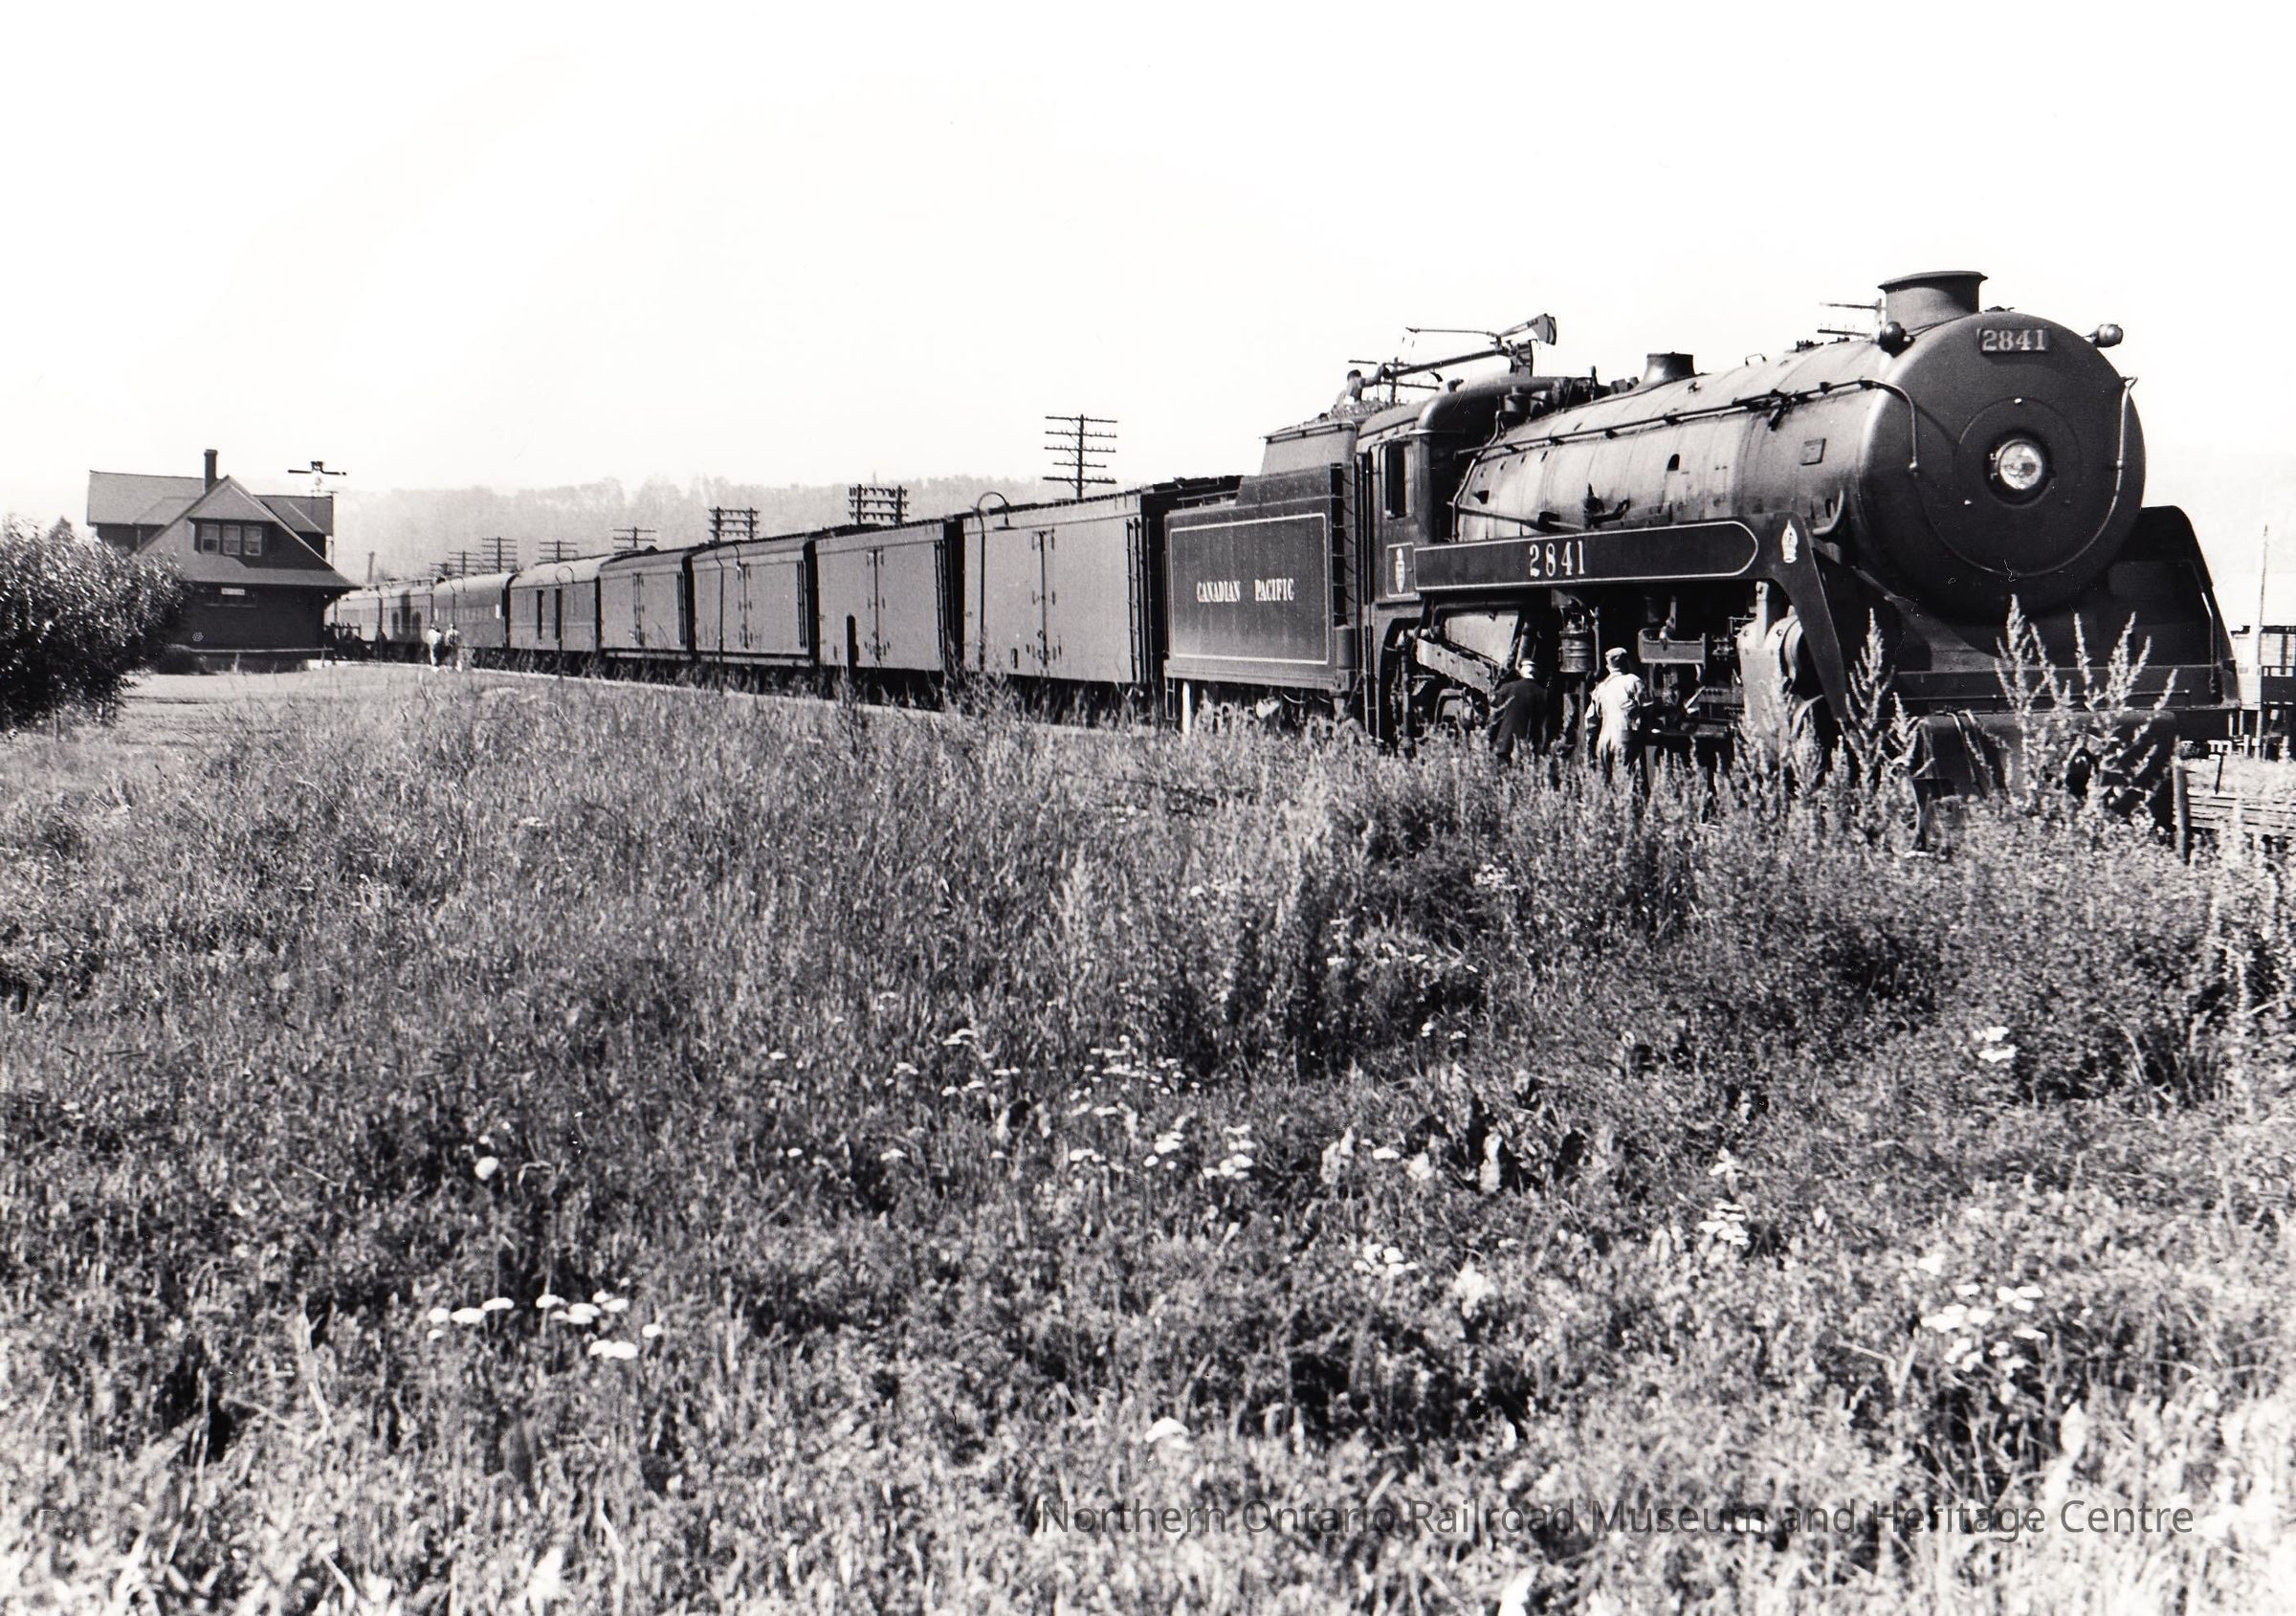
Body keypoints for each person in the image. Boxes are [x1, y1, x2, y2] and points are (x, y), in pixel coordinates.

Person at [1588, 647, 1647, 780]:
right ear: (1626, 662)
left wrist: (1590, 744)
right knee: (1628, 781)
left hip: (1604, 740)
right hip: (1624, 737)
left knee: (1606, 783)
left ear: (1608, 666)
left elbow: (1591, 719)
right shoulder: (1633, 681)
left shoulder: (1601, 687)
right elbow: (1647, 707)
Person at [1488, 656, 1552, 765]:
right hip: (1527, 746)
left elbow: (1494, 709)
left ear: (1522, 672)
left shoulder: (1508, 687)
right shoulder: (1543, 693)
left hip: (1505, 744)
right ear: (1536, 673)